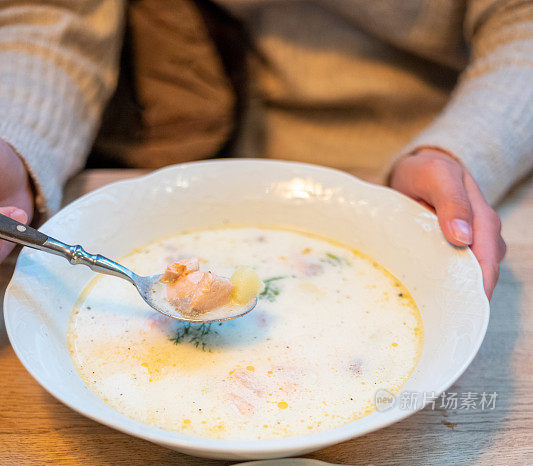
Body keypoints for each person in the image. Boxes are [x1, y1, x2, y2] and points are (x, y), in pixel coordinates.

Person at [1, 0, 531, 299]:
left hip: (420, 157)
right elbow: (52, 15)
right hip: (175, 152)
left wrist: (460, 150)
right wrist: (17, 142)